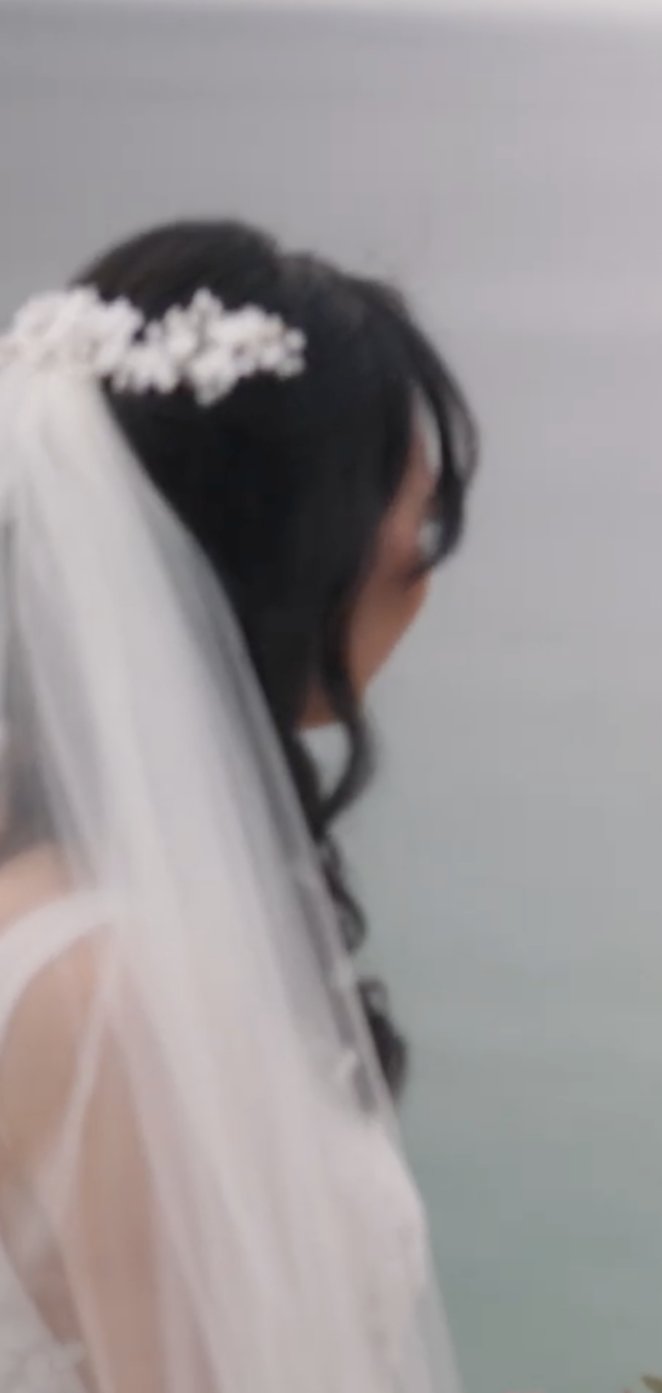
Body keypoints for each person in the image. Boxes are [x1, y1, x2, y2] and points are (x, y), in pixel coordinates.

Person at [0, 219, 479, 1393]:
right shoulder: (113, 998)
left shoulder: (42, 901)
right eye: (411, 517)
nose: (424, 563)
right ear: (294, 549)